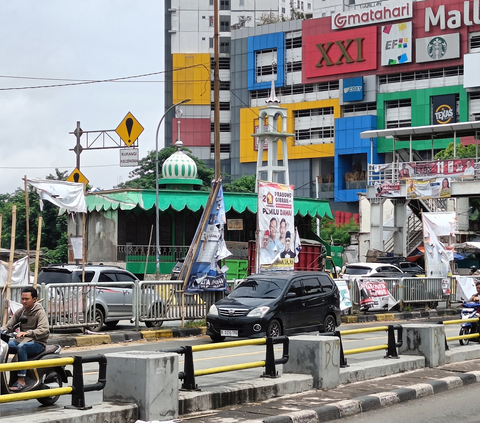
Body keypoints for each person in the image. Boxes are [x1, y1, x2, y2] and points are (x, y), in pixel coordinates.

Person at [0, 287, 49, 391]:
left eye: (26, 299)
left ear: (34, 299)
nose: (24, 301)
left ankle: (21, 380)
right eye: (22, 299)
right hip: (22, 340)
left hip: (37, 342)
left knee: (22, 348)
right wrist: (2, 329)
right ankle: (4, 377)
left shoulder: (39, 312)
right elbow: (8, 326)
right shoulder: (21, 311)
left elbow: (44, 330)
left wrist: (27, 333)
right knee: (6, 346)